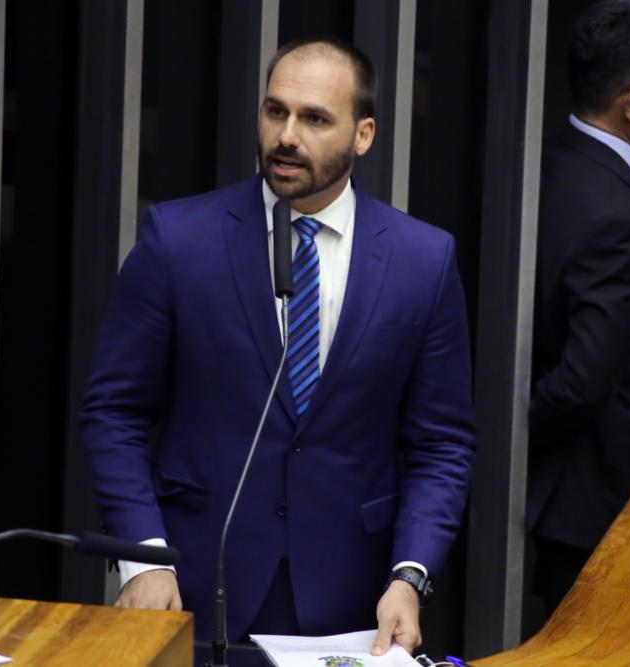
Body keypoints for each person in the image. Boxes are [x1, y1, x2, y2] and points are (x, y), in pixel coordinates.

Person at [80, 38, 476, 654]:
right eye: (276, 112)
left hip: (354, 600)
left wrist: (410, 577)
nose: (288, 135)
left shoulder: (422, 260)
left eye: (315, 119)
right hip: (194, 583)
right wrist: (144, 559)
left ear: (363, 134)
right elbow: (114, 412)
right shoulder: (179, 240)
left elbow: (442, 444)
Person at [529, 0, 630, 615]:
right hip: (601, 501)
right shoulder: (616, 212)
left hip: (563, 494)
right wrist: (518, 434)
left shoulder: (548, 162)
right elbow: (583, 379)